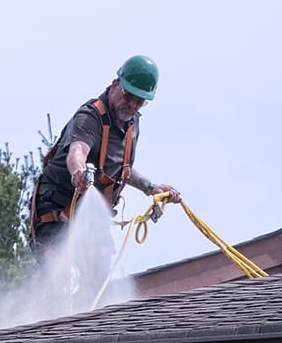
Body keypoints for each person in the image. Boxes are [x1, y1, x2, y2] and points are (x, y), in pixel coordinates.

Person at [30, 55, 182, 265]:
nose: (132, 104)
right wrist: (78, 172)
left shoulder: (132, 124)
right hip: (57, 207)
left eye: (139, 101)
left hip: (91, 218)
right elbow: (77, 151)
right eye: (128, 96)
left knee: (99, 272)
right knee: (57, 273)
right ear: (115, 85)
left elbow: (120, 169)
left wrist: (150, 188)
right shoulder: (90, 117)